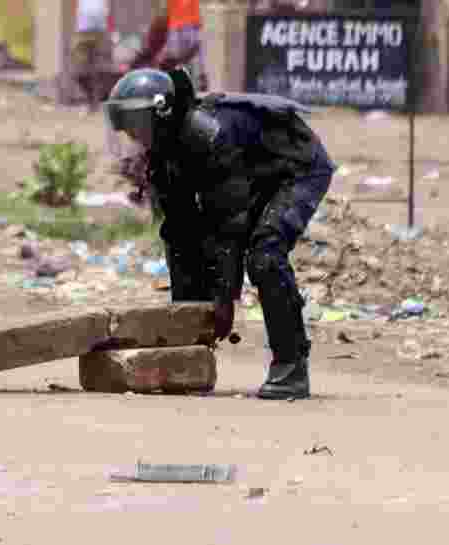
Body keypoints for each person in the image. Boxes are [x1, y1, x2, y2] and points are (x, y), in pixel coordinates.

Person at [104, 67, 336, 400]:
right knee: (183, 243)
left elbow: (229, 223)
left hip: (296, 169)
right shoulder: (165, 150)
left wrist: (223, 299)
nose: (134, 136)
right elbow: (181, 230)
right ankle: (189, 362)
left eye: (138, 126)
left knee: (265, 254)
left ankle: (291, 366)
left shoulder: (207, 136)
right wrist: (191, 320)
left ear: (161, 114)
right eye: (129, 129)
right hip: (253, 175)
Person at [71, 0, 112, 111]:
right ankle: (91, 98)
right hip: (83, 30)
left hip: (100, 30)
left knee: (98, 70)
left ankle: (94, 103)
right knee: (78, 70)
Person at [159, 0, 208, 91]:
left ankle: (199, 80)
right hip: (178, 25)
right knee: (177, 58)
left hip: (190, 24)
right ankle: (188, 82)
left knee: (191, 58)